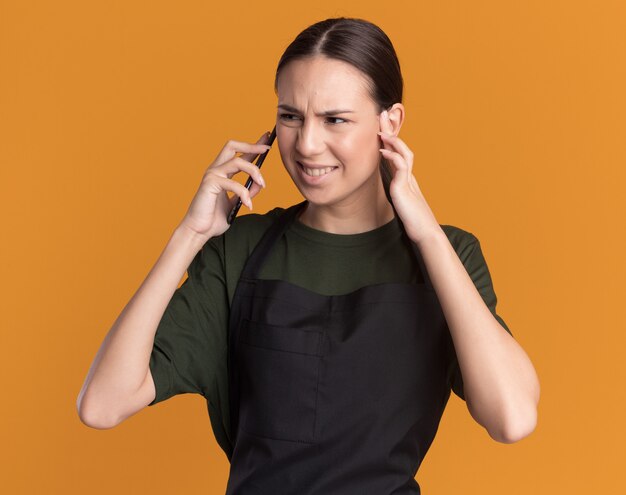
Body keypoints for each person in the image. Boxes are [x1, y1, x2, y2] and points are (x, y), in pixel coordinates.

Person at [77, 17, 540, 494]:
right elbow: (102, 405)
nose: (307, 144)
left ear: (391, 122)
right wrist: (190, 234)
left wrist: (425, 233)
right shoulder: (240, 249)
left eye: (335, 119)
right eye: (291, 116)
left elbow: (512, 417)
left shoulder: (447, 255)